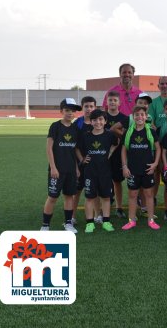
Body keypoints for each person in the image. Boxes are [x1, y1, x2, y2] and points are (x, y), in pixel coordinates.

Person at [41, 98, 82, 232]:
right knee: (52, 197)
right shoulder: (55, 126)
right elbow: (49, 148)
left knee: (69, 196)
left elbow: (75, 149)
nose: (70, 113)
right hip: (57, 170)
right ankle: (45, 225)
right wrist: (53, 167)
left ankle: (68, 223)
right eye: (67, 110)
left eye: (72, 111)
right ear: (61, 111)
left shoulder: (75, 128)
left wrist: (76, 168)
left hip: (70, 169)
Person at [76, 109, 117, 233]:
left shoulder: (110, 135)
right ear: (91, 122)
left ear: (105, 121)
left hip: (105, 171)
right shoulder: (86, 136)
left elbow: (117, 143)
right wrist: (82, 159)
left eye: (100, 119)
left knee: (106, 197)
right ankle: (90, 223)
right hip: (90, 171)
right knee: (89, 197)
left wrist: (110, 152)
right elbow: (77, 148)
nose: (98, 122)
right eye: (95, 120)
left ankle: (106, 221)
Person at [121, 106, 161, 230]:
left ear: (146, 116)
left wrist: (155, 164)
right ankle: (131, 220)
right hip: (132, 169)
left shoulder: (151, 131)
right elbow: (123, 150)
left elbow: (158, 148)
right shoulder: (128, 132)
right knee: (132, 195)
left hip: (147, 169)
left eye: (142, 114)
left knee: (149, 194)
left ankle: (151, 220)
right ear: (133, 117)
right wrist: (124, 166)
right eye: (137, 115)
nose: (139, 117)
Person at [72, 96, 97, 224]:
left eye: (91, 106)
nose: (89, 109)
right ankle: (72, 216)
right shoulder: (78, 123)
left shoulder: (98, 122)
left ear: (95, 107)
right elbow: (75, 145)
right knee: (77, 190)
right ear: (82, 108)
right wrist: (82, 160)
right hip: (81, 163)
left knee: (96, 190)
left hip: (96, 163)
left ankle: (98, 215)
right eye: (86, 106)